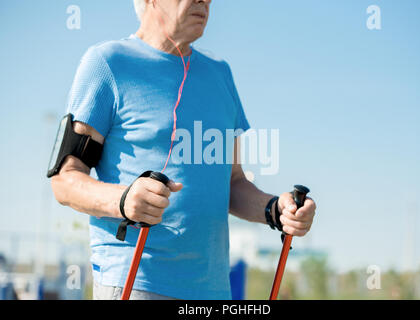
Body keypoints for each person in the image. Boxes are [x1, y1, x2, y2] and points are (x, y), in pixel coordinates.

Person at [50, 0, 317, 300]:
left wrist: (275, 210)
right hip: (136, 282)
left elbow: (232, 183)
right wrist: (123, 200)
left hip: (213, 290)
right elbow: (65, 180)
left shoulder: (220, 74)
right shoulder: (107, 63)